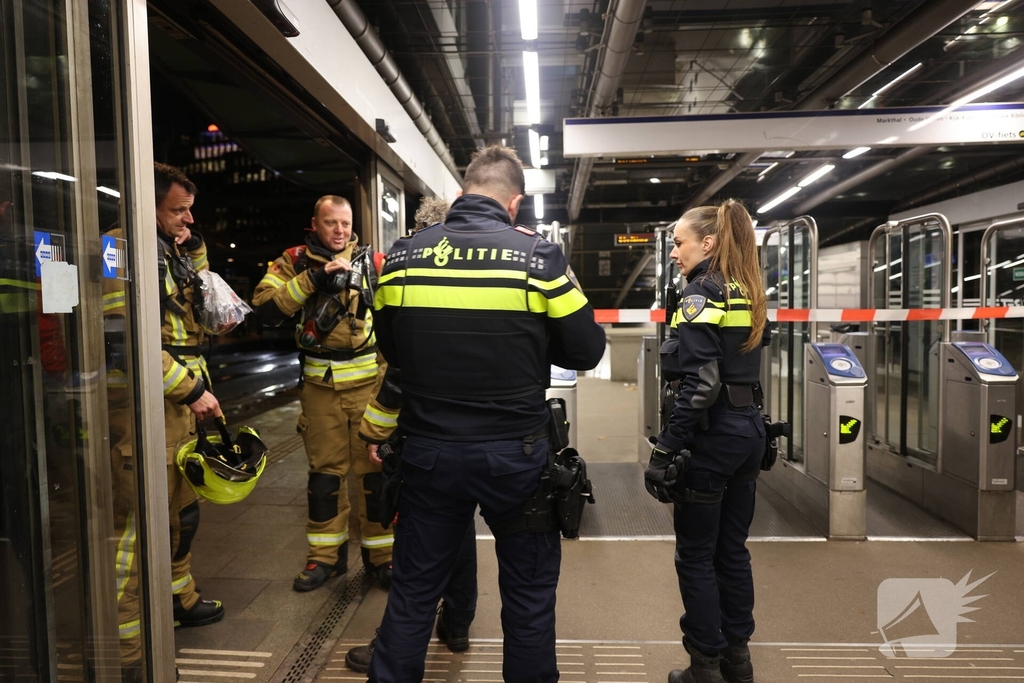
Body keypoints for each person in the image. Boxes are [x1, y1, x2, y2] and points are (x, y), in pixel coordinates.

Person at [367, 145, 606, 683]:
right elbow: (587, 351)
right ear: (513, 202)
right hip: (516, 458)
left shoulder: (402, 258)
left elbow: (394, 351)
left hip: (428, 455)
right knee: (527, 597)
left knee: (412, 594)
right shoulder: (539, 258)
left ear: (461, 192)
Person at [344, 196, 479, 673]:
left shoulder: (410, 277)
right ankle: (459, 624)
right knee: (461, 531)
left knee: (419, 551)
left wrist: (375, 432)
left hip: (426, 437)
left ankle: (393, 649)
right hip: (485, 435)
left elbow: (398, 370)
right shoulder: (486, 276)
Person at [644, 200, 768, 683]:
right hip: (748, 433)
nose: (675, 252)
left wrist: (666, 447)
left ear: (708, 243)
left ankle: (705, 665)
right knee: (732, 549)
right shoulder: (746, 290)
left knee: (695, 553)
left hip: (712, 438)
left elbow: (700, 385)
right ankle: (738, 659)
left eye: (679, 243)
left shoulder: (701, 295)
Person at [252, 195, 394, 591]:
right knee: (325, 479)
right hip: (320, 390)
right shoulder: (294, 261)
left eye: (345, 224)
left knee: (375, 477)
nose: (339, 231)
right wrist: (311, 281)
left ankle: (383, 558)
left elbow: (395, 322)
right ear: (314, 224)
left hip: (368, 388)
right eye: (331, 223)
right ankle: (324, 560)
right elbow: (264, 310)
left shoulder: (373, 263)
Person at [152, 163, 225, 626]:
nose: (189, 219)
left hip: (178, 402)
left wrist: (193, 251)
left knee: (183, 511)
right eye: (179, 211)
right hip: (152, 406)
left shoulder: (169, 250)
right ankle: (138, 648)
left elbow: (202, 300)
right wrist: (191, 389)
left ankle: (181, 599)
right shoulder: (124, 251)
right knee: (151, 521)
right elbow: (125, 338)